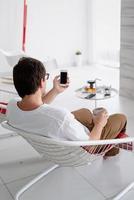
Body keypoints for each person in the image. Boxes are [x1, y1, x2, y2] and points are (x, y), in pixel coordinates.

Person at [6, 57, 130, 157]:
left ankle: (94, 123)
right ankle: (111, 150)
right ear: (42, 82)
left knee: (85, 113)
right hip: (83, 146)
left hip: (55, 134)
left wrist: (55, 90)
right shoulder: (60, 116)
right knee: (119, 117)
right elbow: (90, 146)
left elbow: (37, 108)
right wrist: (99, 124)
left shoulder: (12, 106)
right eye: (46, 77)